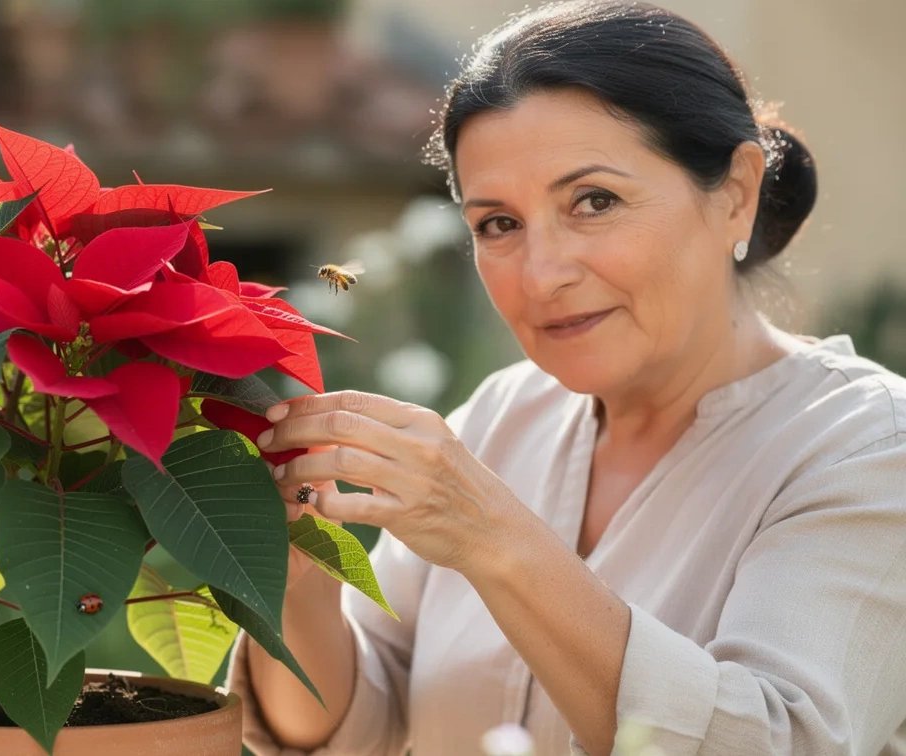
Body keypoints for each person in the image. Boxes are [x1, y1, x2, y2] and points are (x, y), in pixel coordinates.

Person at [226, 2, 906, 755]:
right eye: (498, 224)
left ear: (737, 192)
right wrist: (293, 576)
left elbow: (779, 742)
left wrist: (493, 537)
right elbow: (357, 725)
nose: (543, 275)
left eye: (595, 202)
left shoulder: (867, 451)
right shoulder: (503, 416)